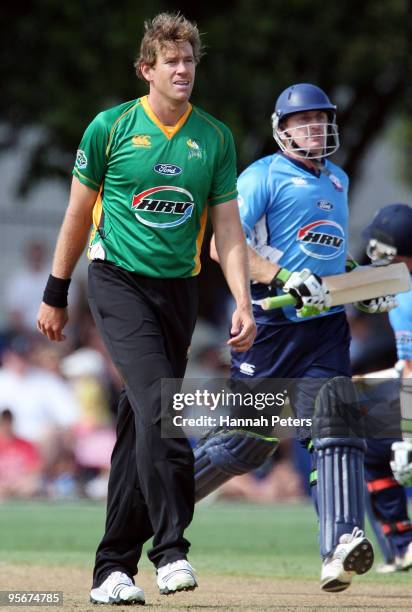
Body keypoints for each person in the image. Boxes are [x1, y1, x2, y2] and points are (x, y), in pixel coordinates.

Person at [37, 12, 255, 606]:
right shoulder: (109, 128)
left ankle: (111, 569)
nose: (183, 70)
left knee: (140, 421)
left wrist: (242, 299)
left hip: (177, 292)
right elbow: (77, 215)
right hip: (116, 282)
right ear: (146, 69)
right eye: (172, 61)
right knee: (161, 406)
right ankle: (171, 551)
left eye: (190, 61)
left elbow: (229, 232)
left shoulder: (213, 137)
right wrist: (56, 291)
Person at [194, 83, 398, 592]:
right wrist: (280, 278)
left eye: (319, 118)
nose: (313, 128)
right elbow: (224, 244)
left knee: (335, 427)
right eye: (302, 120)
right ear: (281, 129)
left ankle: (340, 547)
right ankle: (158, 499)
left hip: (324, 329)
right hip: (270, 327)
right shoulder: (262, 175)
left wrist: (359, 286)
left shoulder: (338, 179)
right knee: (249, 443)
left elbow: (328, 259)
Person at [361, 203, 412, 572]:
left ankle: (402, 544)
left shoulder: (404, 297)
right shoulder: (400, 286)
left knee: (369, 448)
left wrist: (407, 436)